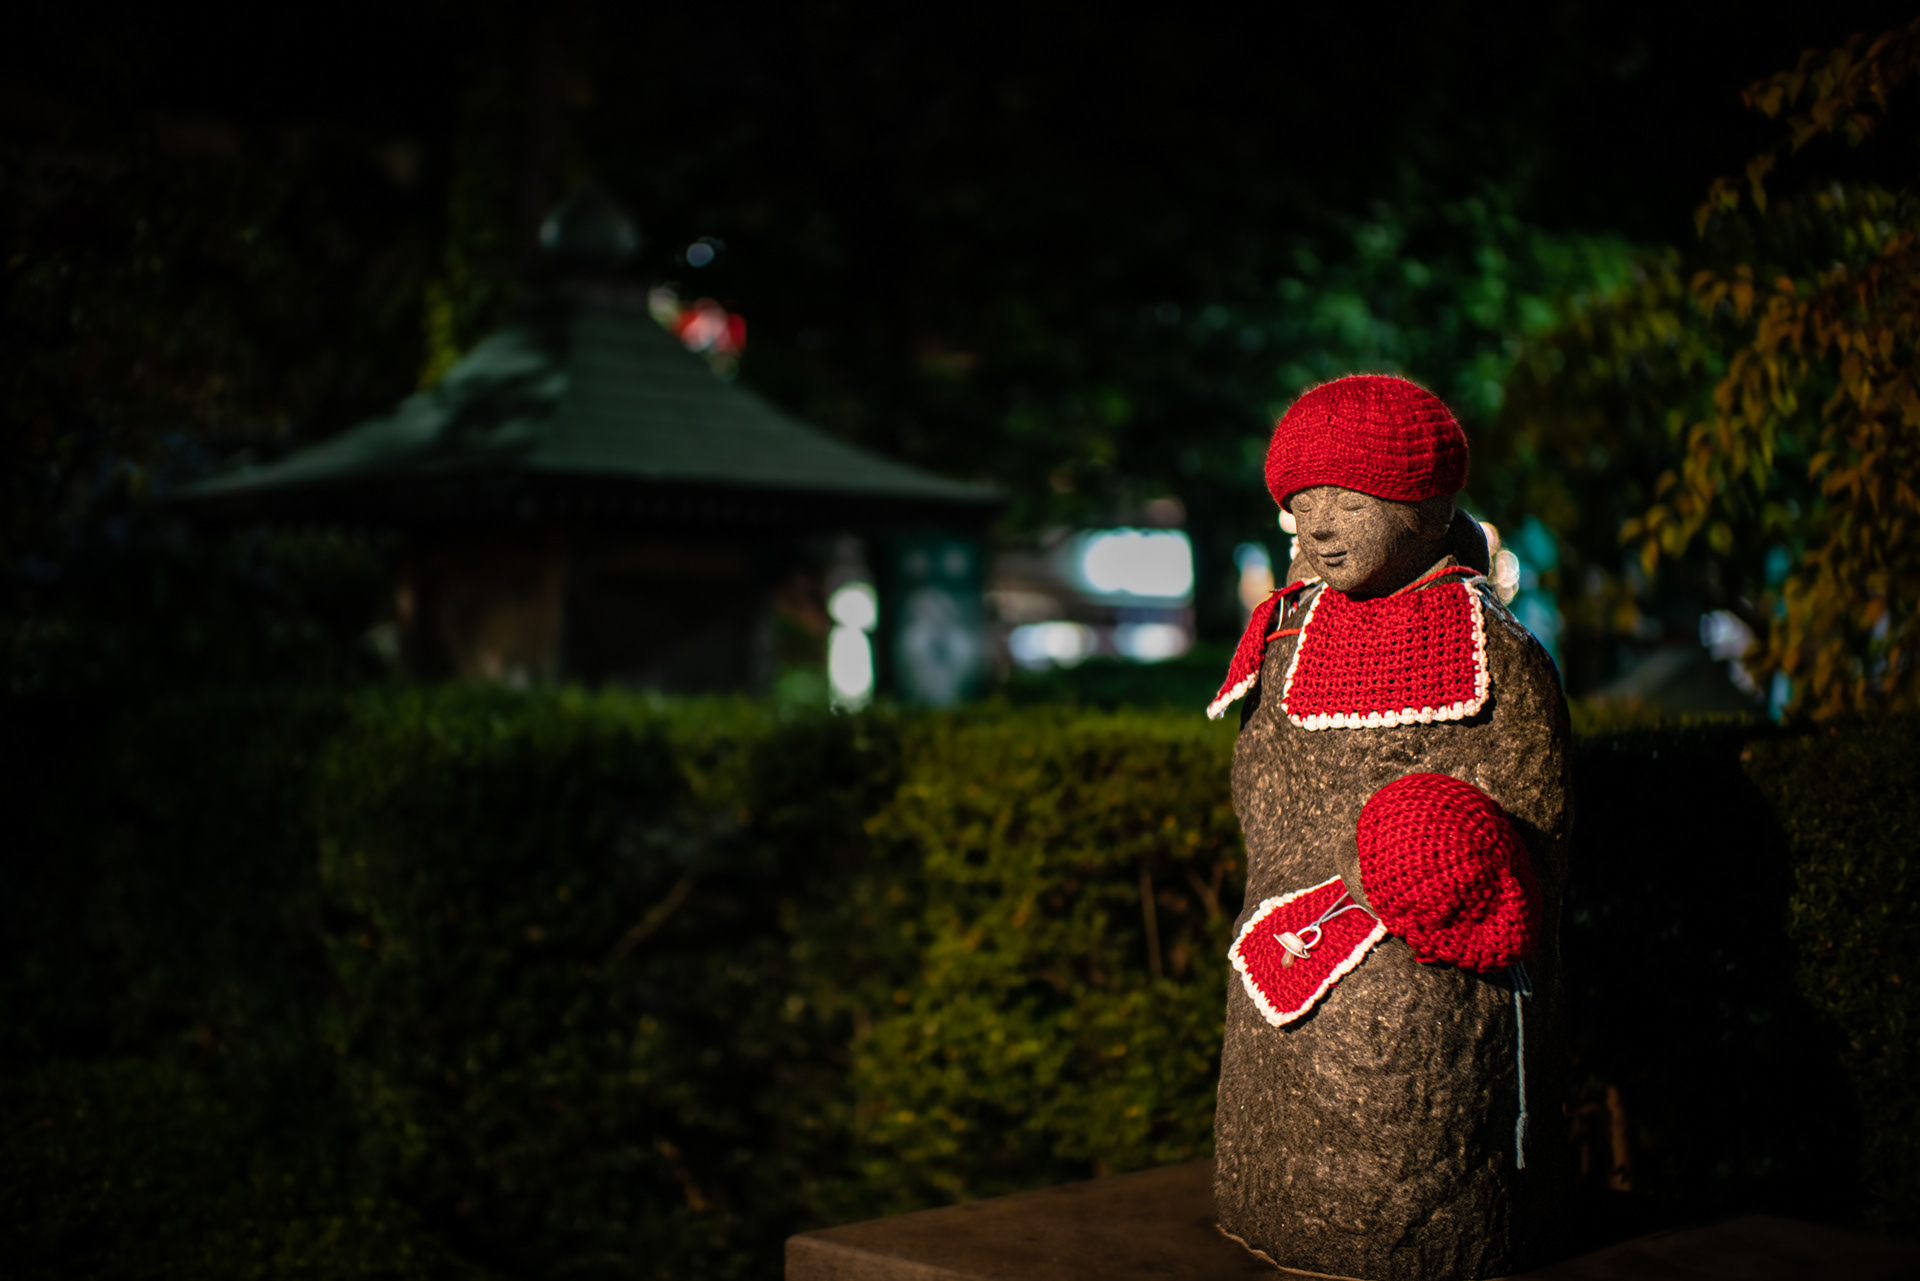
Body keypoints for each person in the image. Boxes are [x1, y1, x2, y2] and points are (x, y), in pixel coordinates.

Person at [1209, 374, 1570, 1281]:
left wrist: (1439, 846)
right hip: (1293, 917)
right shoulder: (1286, 640)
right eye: (1304, 507)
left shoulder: (1499, 651)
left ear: (1428, 502)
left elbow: (1536, 806)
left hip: (1435, 925)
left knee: (1402, 1048)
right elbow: (1262, 786)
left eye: (1350, 499)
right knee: (1274, 1047)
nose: (1323, 526)